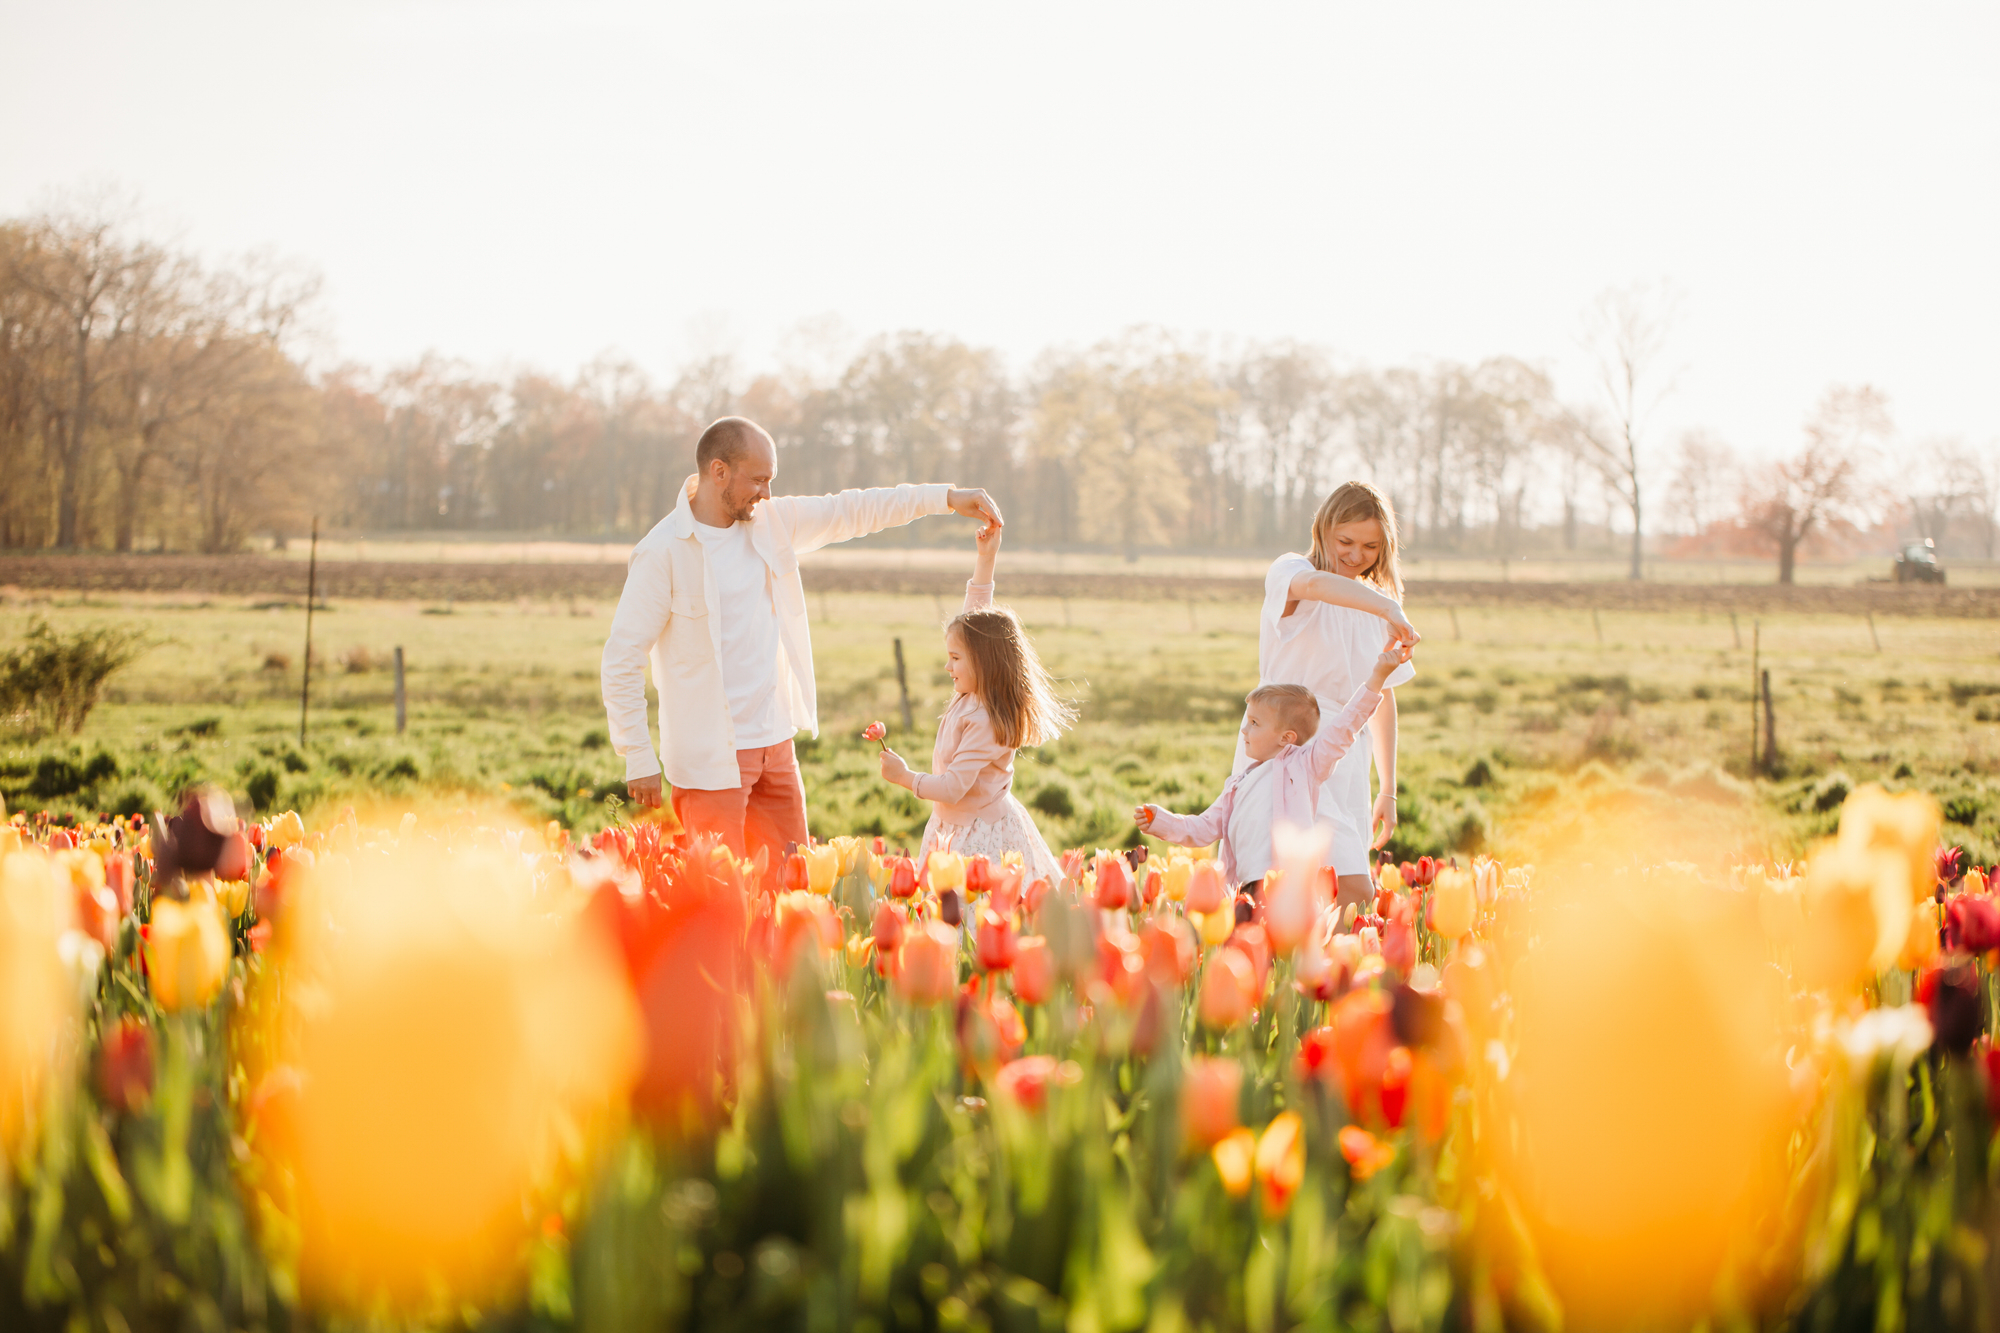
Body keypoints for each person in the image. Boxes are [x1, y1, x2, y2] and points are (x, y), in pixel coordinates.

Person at [601, 416, 1003, 863]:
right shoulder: (662, 553)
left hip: (775, 747)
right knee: (723, 902)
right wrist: (638, 755)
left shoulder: (771, 521)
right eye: (758, 479)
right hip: (710, 764)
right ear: (719, 472)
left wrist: (945, 499)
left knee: (792, 893)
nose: (767, 493)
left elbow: (854, 509)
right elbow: (622, 660)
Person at [1239, 481, 1416, 913]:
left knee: (1344, 893)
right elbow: (1316, 586)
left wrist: (1388, 789)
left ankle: (1321, 974)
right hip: (1285, 749)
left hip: (1345, 758)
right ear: (1323, 529)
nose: (1357, 555)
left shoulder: (1378, 606)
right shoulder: (1291, 572)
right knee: (1276, 886)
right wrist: (1386, 608)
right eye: (1346, 541)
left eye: (1371, 546)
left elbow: (1384, 698)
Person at [874, 523, 1070, 886]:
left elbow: (952, 788)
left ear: (983, 661)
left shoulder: (984, 718)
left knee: (975, 915)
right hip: (954, 826)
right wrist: (986, 559)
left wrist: (905, 778)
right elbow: (974, 620)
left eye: (955, 658)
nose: (947, 666)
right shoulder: (973, 691)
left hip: (978, 838)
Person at [1134, 639, 1413, 892]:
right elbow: (1203, 827)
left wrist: (1376, 679)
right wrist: (1161, 820)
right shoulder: (1237, 785)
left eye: (1255, 723)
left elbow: (1344, 728)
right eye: (1247, 721)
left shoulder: (1305, 767)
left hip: (1287, 887)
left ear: (1286, 738)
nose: (1244, 730)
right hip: (1246, 888)